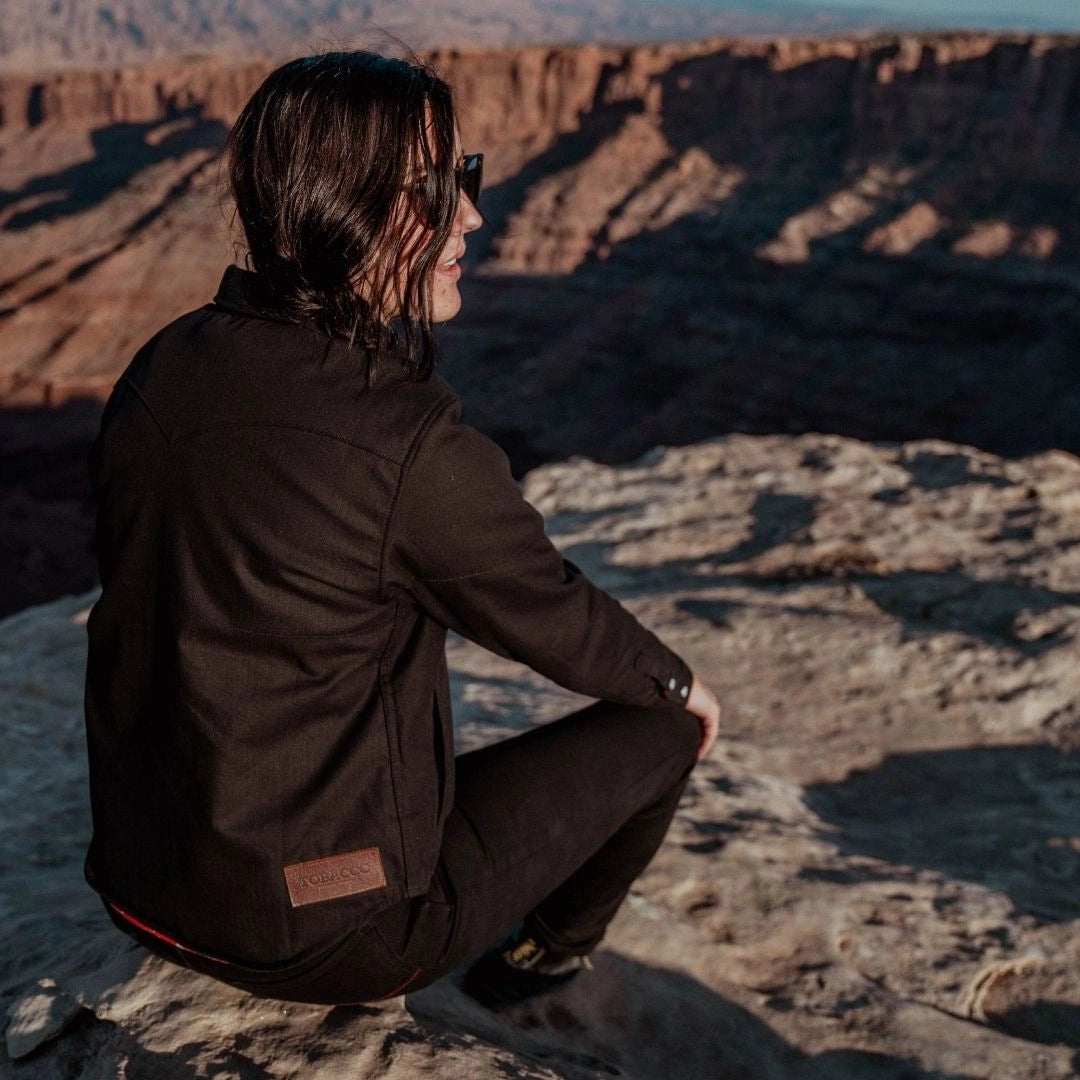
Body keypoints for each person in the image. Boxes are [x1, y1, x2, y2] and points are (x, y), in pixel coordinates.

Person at [83, 50, 721, 1010]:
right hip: (331, 930)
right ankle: (547, 958)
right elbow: (550, 611)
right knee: (666, 731)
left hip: (141, 887)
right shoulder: (404, 443)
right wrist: (680, 685)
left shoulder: (163, 364)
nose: (471, 215)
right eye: (432, 190)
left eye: (468, 177)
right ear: (333, 207)